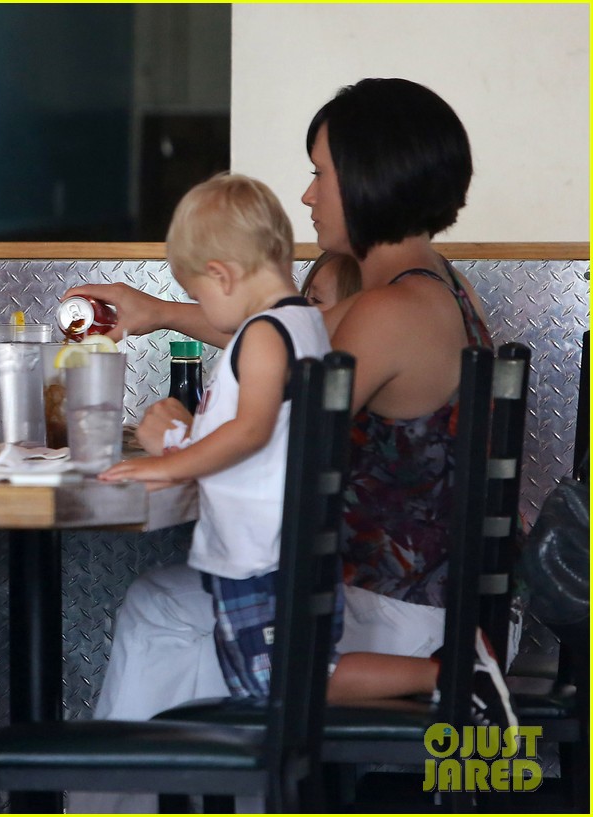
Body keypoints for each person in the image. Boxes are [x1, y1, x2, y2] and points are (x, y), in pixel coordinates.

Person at [70, 77, 513, 812]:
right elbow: (288, 342)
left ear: (371, 177)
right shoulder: (427, 288)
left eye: (321, 173)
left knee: (162, 609)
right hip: (424, 595)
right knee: (176, 605)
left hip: (406, 612)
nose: (309, 197)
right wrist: (156, 313)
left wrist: (174, 442)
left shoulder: (392, 308)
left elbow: (278, 419)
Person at [99, 173, 336, 701]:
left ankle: (443, 676)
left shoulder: (265, 334)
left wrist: (169, 465)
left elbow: (251, 430)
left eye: (197, 296)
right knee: (292, 680)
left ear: (221, 275)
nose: (202, 311)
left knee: (276, 688)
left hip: (259, 560)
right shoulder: (305, 324)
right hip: (287, 552)